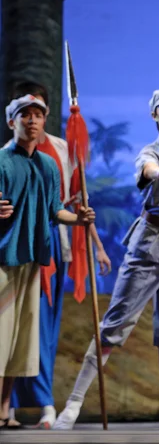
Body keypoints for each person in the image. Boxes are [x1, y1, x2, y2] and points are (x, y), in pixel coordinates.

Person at [54, 86, 159, 431]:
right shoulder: (150, 152)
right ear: (154, 115)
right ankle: (73, 406)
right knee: (114, 325)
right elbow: (147, 169)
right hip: (149, 247)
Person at [6, 81, 111, 430]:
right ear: (14, 119)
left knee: (34, 332)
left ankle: (28, 406)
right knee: (11, 330)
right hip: (10, 248)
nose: (33, 119)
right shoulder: (5, 159)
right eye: (26, 113)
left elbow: (67, 207)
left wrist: (91, 236)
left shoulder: (59, 156)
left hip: (47, 247)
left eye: (39, 112)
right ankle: (14, 406)